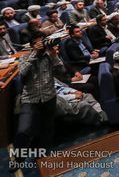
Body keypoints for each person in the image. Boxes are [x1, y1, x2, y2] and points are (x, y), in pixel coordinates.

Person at [12, 31, 67, 171]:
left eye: (43, 41)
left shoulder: (50, 57)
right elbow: (22, 72)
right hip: (30, 99)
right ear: (32, 45)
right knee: (23, 130)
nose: (42, 45)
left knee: (47, 129)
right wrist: (35, 54)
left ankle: (42, 155)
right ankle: (18, 159)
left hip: (49, 97)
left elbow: (62, 73)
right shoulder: (25, 57)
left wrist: (54, 56)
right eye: (38, 42)